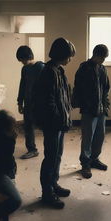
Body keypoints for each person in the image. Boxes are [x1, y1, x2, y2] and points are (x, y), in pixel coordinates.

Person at [36, 37, 75, 209]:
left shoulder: (59, 70)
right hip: (53, 124)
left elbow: (64, 97)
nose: (70, 59)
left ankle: (54, 184)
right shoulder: (48, 72)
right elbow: (48, 102)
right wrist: (58, 120)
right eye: (69, 56)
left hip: (59, 123)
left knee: (57, 156)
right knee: (50, 158)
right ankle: (47, 193)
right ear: (61, 54)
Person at [72, 44, 110, 179]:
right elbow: (77, 89)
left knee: (100, 137)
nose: (103, 60)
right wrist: (81, 104)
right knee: (87, 138)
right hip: (89, 110)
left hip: (101, 109)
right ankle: (85, 164)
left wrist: (106, 106)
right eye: (102, 57)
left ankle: (94, 159)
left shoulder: (103, 69)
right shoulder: (84, 68)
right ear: (95, 55)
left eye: (105, 58)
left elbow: (106, 88)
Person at [16, 45, 45, 159]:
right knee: (28, 126)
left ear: (28, 57)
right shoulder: (25, 69)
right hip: (28, 103)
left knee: (44, 126)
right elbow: (22, 86)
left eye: (22, 59)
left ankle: (49, 149)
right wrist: (19, 102)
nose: (22, 62)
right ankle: (32, 149)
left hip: (40, 104)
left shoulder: (41, 67)